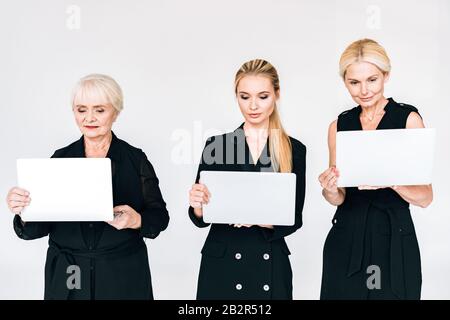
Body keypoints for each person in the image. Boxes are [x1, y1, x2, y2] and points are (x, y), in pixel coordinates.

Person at [6, 74, 169, 300]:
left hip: (122, 277)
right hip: (69, 277)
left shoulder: (135, 160)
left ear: (116, 112)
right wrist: (23, 211)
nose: (89, 118)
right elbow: (36, 228)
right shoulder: (59, 159)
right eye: (81, 110)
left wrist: (136, 220)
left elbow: (159, 217)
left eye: (99, 110)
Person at [319, 39, 433, 300]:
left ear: (386, 75)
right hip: (346, 236)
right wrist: (329, 188)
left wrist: (392, 182)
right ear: (345, 82)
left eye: (372, 79)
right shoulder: (339, 125)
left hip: (393, 237)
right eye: (354, 82)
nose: (364, 90)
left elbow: (426, 197)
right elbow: (338, 197)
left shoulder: (408, 119)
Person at [188, 59, 306, 299]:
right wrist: (197, 205)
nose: (253, 106)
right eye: (244, 97)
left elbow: (294, 219)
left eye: (263, 96)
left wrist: (259, 219)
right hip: (222, 263)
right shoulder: (217, 145)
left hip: (269, 262)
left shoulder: (294, 149)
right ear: (236, 96)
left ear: (277, 95)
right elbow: (200, 219)